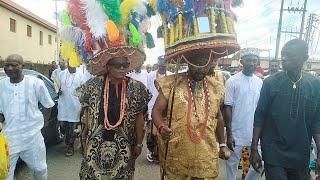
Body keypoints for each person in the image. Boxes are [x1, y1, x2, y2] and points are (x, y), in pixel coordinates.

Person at [152, 52, 231, 179]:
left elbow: (219, 117)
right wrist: (161, 127)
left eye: (205, 65)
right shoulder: (171, 83)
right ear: (188, 63)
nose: (201, 69)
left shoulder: (216, 87)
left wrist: (222, 144)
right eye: (198, 64)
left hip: (206, 151)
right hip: (177, 152)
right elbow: (156, 110)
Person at [250, 39, 320, 180]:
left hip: (301, 153)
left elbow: (316, 121)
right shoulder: (270, 82)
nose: (284, 58)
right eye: (283, 54)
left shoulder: (314, 84)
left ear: (304, 58)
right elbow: (260, 116)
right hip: (274, 152)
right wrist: (254, 149)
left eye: (290, 54)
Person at [0, 54, 54, 180]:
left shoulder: (36, 83)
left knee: (40, 169)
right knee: (5, 174)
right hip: (9, 138)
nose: (9, 68)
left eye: (14, 65)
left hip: (32, 137)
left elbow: (48, 104)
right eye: (6, 65)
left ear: (22, 66)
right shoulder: (1, 85)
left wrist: (45, 124)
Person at [224, 48, 263, 180]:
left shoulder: (259, 82)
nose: (251, 63)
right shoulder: (232, 81)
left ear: (257, 62)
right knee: (231, 166)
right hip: (236, 132)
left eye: (254, 61)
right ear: (242, 62)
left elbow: (260, 109)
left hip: (254, 132)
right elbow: (227, 107)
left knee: (259, 164)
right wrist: (229, 134)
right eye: (248, 60)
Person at [146, 56, 173, 162]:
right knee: (151, 134)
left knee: (164, 132)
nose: (162, 66)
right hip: (152, 108)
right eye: (161, 64)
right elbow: (148, 91)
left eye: (164, 64)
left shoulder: (171, 75)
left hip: (166, 110)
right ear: (158, 64)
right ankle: (151, 153)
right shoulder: (150, 75)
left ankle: (162, 153)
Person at [56, 64, 84, 156]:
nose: (70, 66)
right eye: (69, 63)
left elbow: (83, 90)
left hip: (75, 105)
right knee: (63, 126)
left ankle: (70, 147)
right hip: (63, 104)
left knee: (72, 127)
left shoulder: (81, 75)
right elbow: (56, 85)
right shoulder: (61, 74)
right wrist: (57, 90)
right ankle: (68, 139)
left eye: (72, 63)